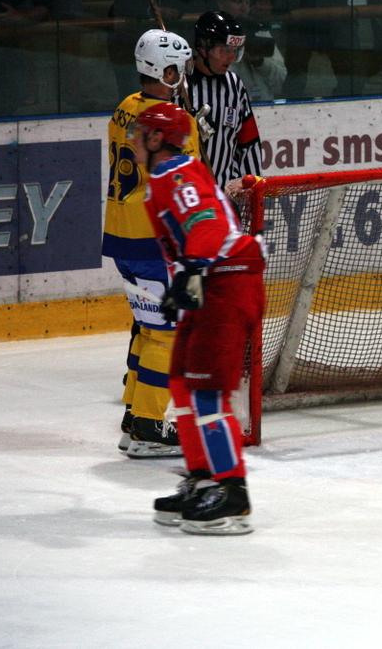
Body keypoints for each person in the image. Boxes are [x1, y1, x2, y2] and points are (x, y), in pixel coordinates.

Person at [136, 102, 265, 535]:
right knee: (181, 383)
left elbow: (206, 223)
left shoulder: (177, 174)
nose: (133, 140)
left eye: (139, 133)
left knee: (207, 391)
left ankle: (232, 490)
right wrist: (184, 278)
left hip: (227, 279)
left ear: (157, 138)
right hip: (210, 281)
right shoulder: (163, 178)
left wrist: (190, 270)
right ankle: (203, 478)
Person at [104, 28, 197, 458]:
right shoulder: (176, 122)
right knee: (167, 335)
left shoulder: (125, 107)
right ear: (166, 71)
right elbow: (189, 178)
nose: (183, 74)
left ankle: (133, 417)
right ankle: (147, 427)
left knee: (147, 328)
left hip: (121, 235)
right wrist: (191, 130)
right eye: (178, 68)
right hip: (154, 238)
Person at [187, 10, 264, 197]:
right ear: (203, 47)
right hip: (187, 201)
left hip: (225, 200)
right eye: (224, 50)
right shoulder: (180, 85)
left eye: (234, 51)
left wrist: (251, 186)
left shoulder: (234, 85)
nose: (231, 58)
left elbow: (249, 142)